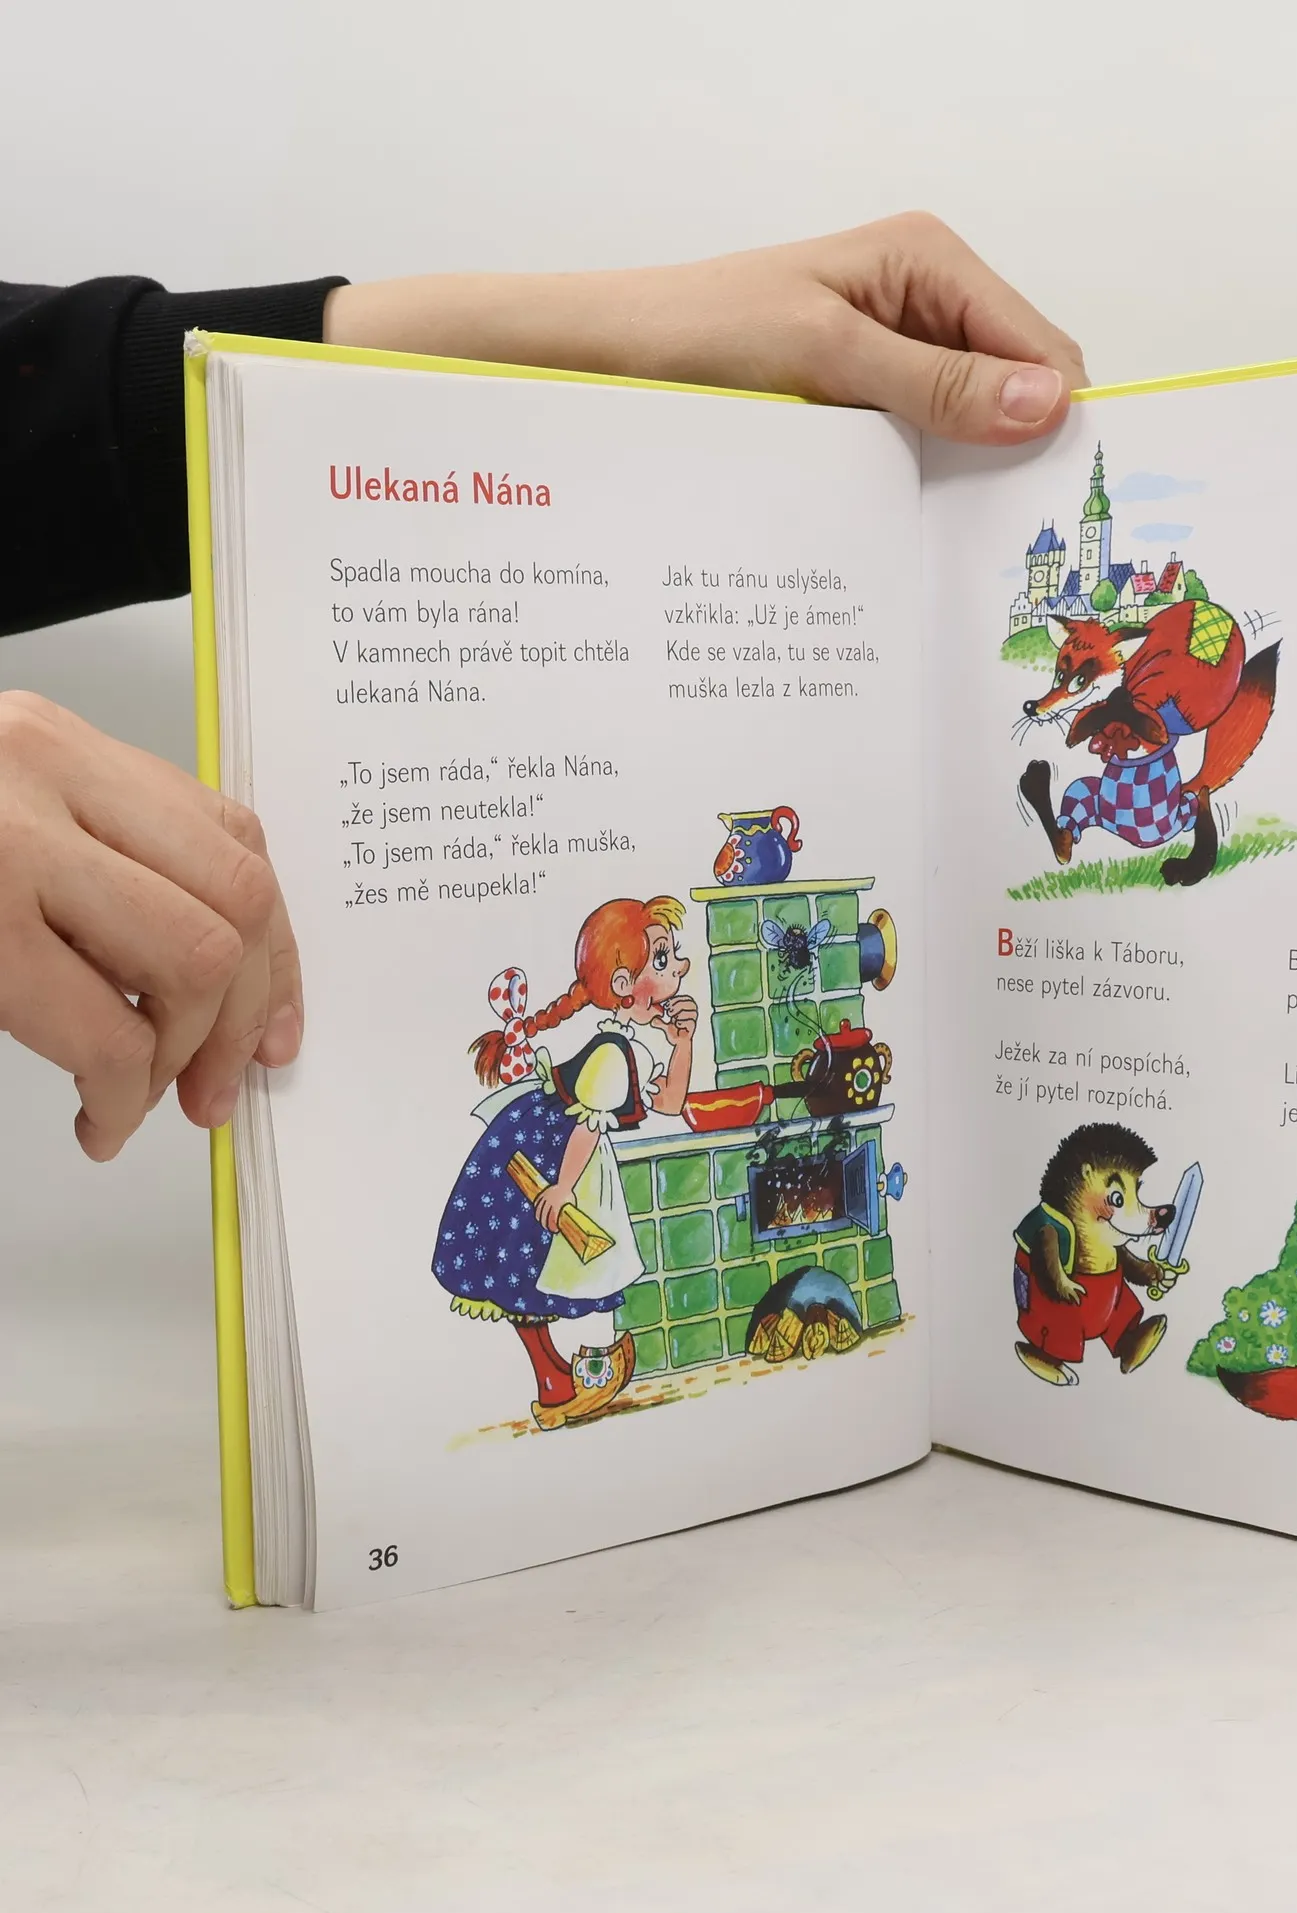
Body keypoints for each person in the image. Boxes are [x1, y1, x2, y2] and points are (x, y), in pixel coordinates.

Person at [0, 214, 1088, 1160]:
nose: (672, 969)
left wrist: (621, 329)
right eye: (659, 960)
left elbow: (57, 419)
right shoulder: (614, 1041)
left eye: (667, 956)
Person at [437, 896, 697, 1429]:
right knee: (529, 1270)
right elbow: (586, 1125)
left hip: (557, 1154)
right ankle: (554, 1381)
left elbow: (671, 1102)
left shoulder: (633, 1044)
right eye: (664, 958)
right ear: (624, 984)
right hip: (542, 1157)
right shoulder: (613, 1053)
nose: (681, 966)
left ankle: (555, 1378)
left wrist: (683, 1044)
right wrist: (562, 1189)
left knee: (534, 1275)